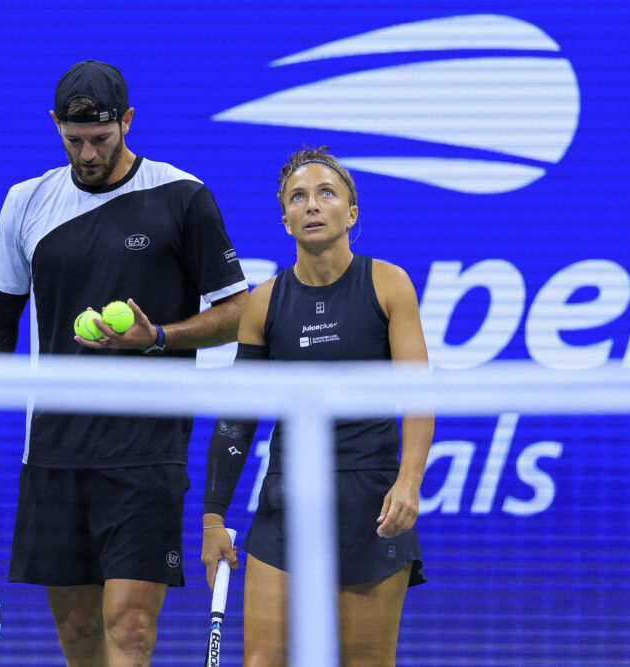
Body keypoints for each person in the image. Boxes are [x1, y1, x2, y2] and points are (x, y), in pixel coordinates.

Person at [0, 59, 248, 666]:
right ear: (56, 127)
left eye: (102, 139)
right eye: (74, 140)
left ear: (128, 122)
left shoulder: (182, 198)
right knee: (81, 632)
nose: (88, 154)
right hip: (56, 450)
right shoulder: (25, 203)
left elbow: (239, 312)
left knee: (132, 627)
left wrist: (160, 337)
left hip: (147, 451)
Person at [201, 146, 433, 666]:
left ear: (351, 212)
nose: (311, 205)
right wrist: (213, 517)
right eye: (297, 197)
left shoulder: (389, 284)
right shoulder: (264, 300)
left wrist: (409, 484)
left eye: (326, 193)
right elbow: (238, 416)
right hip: (288, 499)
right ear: (284, 220)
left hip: (370, 500)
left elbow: (419, 399)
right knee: (263, 661)